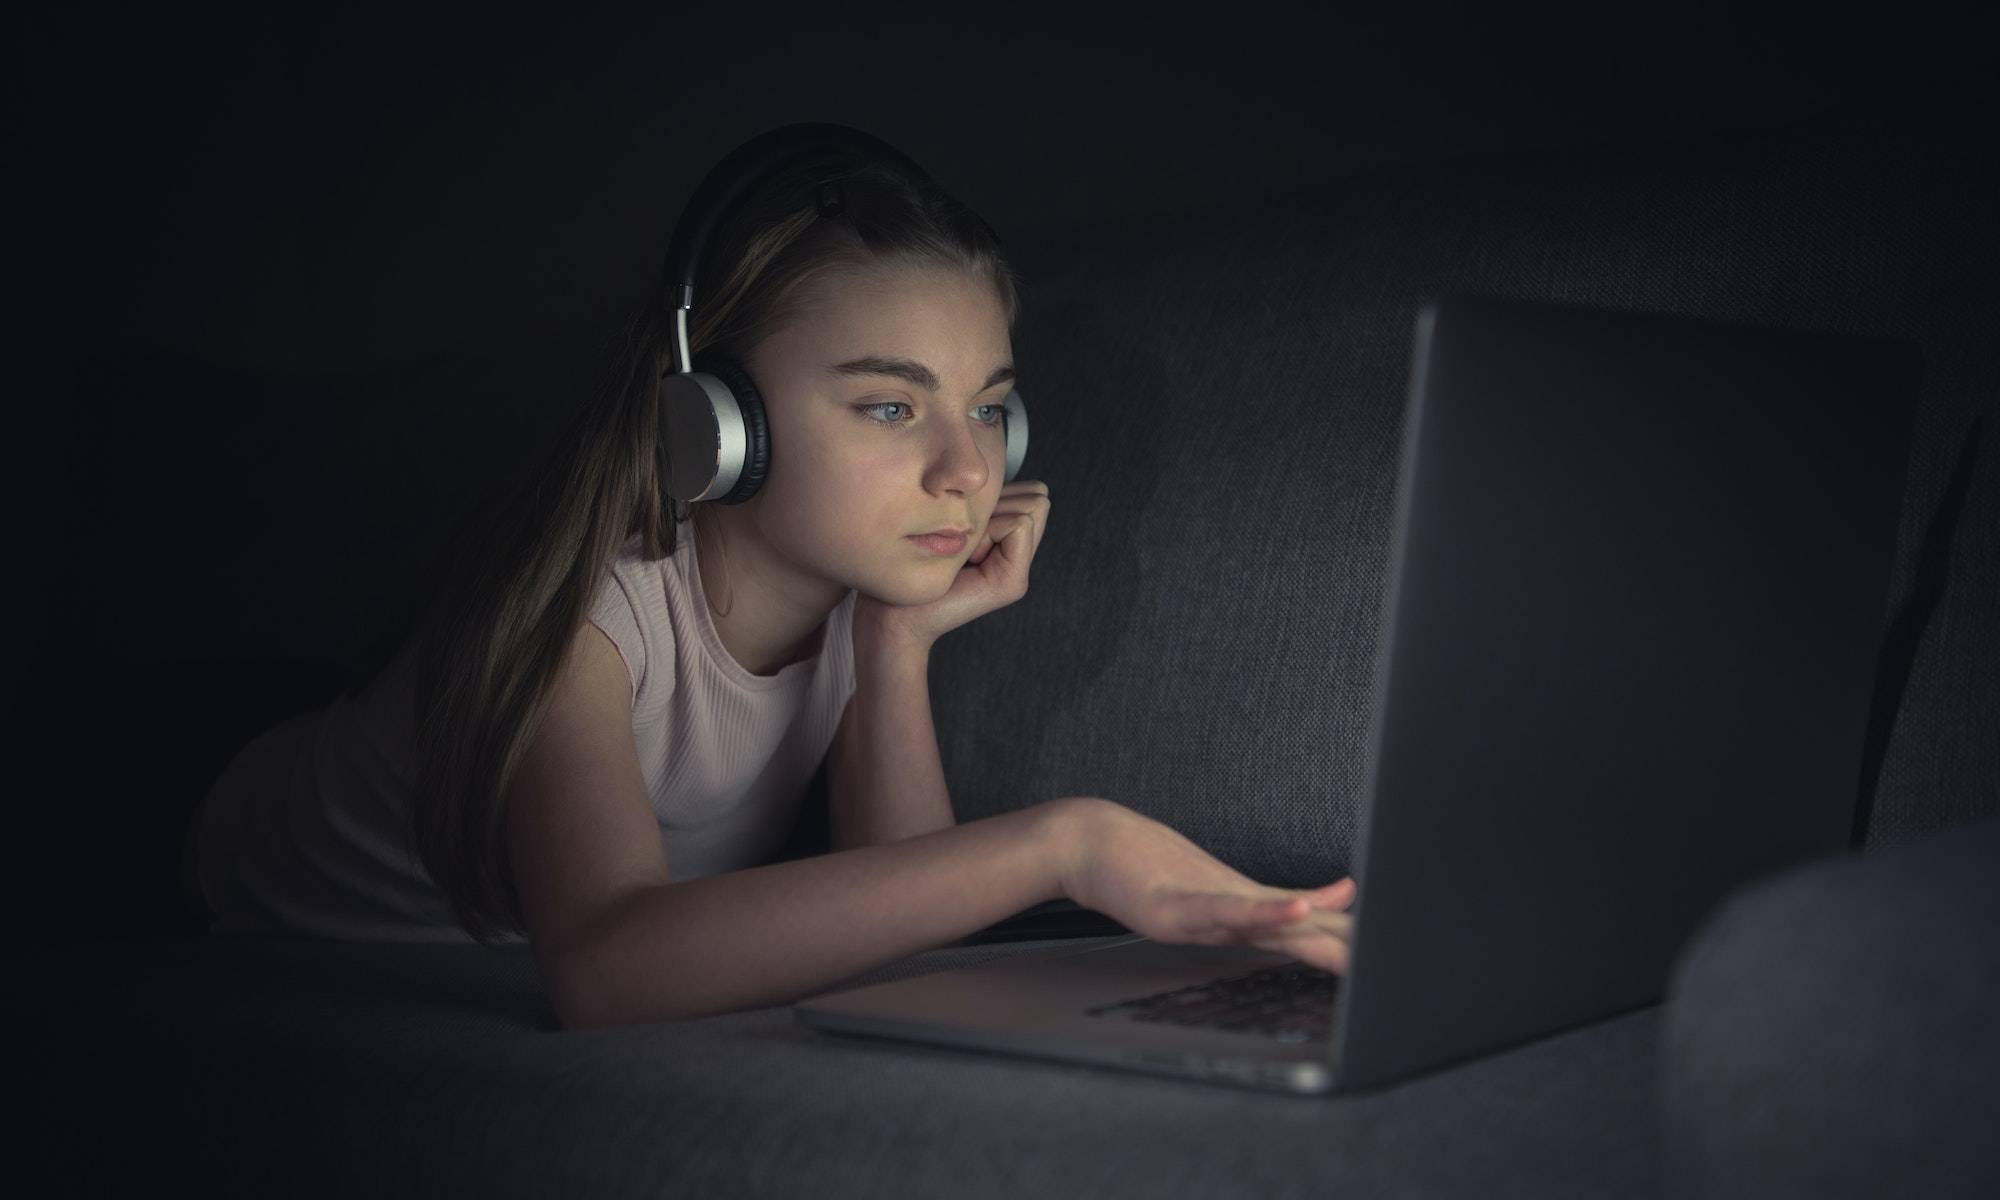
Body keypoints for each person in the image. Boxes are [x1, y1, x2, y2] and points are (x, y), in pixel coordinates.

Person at [186, 142, 1356, 1027]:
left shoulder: (859, 596)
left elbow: (902, 929)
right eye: (890, 406)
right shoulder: (587, 614)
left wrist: (895, 648)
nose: (965, 469)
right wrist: (1070, 844)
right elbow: (605, 967)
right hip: (199, 837)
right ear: (716, 426)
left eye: (989, 407)